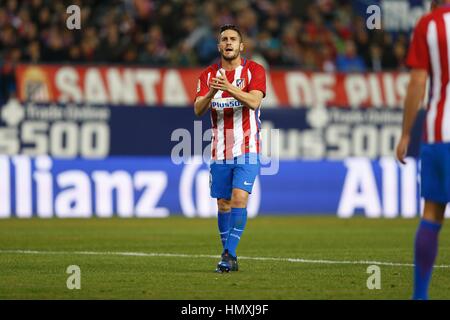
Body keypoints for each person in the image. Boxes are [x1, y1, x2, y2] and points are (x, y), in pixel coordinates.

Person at [194, 24, 266, 273]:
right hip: (219, 151)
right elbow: (198, 109)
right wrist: (213, 89)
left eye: (233, 39)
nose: (228, 42)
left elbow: (255, 101)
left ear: (241, 46)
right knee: (223, 203)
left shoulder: (254, 70)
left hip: (248, 147)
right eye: (224, 39)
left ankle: (229, 254)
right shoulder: (207, 76)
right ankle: (229, 256)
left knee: (239, 198)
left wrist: (230, 88)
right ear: (219, 46)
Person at [396, 0, 450, 300]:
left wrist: (406, 133)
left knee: (432, 212)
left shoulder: (429, 24)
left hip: (442, 130)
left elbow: (417, 82)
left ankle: (420, 296)